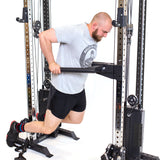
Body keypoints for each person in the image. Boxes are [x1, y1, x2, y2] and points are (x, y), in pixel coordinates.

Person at [6, 12, 112, 147]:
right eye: (104, 32)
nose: (105, 35)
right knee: (48, 128)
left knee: (76, 119)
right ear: (95, 25)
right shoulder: (75, 32)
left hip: (78, 89)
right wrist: (51, 63)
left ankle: (46, 117)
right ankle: (17, 127)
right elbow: (44, 36)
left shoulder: (94, 37)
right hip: (63, 89)